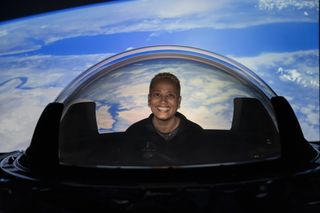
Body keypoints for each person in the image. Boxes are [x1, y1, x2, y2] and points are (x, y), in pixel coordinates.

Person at [124, 72, 203, 165]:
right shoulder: (133, 133)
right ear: (149, 100)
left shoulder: (196, 134)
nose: (163, 101)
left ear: (178, 101)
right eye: (157, 94)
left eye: (170, 95)